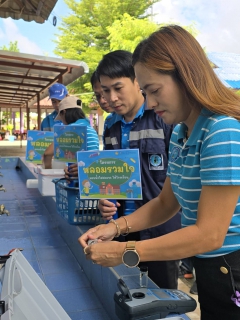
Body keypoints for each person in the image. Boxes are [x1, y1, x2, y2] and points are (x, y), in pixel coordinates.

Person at [79, 25, 240, 320]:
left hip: (230, 267)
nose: (150, 103)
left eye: (153, 91)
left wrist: (125, 250)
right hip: (207, 266)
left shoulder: (222, 130)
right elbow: (167, 202)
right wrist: (115, 228)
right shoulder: (182, 132)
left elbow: (211, 234)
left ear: (185, 75)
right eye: (145, 92)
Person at [91, 50, 181, 289]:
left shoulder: (164, 119)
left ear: (137, 81)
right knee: (128, 291)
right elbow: (108, 175)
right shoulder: (110, 127)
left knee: (162, 294)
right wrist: (104, 198)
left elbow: (180, 181)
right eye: (104, 90)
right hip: (121, 228)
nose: (111, 97)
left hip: (161, 230)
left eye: (117, 88)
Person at [43, 96, 99, 169]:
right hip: (91, 171)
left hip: (75, 175)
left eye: (61, 117)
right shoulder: (91, 129)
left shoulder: (70, 130)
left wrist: (48, 170)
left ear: (64, 112)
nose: (62, 121)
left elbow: (47, 154)